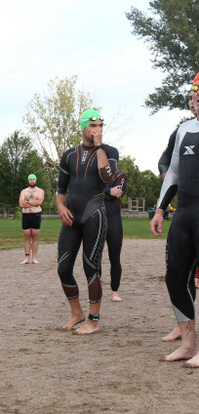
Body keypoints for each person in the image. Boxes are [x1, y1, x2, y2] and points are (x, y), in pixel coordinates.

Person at [150, 73, 199, 367]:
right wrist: (160, 210)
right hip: (185, 212)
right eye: (194, 93)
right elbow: (174, 174)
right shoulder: (184, 130)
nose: (196, 98)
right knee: (175, 277)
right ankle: (188, 344)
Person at [56, 109, 118, 335]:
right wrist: (60, 206)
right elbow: (61, 188)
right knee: (63, 268)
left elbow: (107, 177)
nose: (97, 130)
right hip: (72, 217)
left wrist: (99, 146)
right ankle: (77, 313)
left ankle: (94, 320)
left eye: (101, 126)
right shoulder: (69, 155)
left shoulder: (109, 151)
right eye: (93, 126)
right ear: (82, 127)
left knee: (91, 267)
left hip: (95, 214)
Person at [104, 171, 127, 302]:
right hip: (97, 218)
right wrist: (108, 190)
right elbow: (89, 192)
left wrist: (102, 192)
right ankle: (95, 291)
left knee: (115, 257)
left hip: (114, 220)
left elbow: (117, 194)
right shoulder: (95, 175)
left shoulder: (120, 175)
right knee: (94, 258)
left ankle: (115, 291)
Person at [18, 174, 44, 264]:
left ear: (36, 181)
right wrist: (33, 203)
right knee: (27, 236)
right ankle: (26, 258)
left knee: (35, 236)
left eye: (33, 179)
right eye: (30, 179)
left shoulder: (40, 191)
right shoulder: (24, 191)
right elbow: (21, 203)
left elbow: (39, 202)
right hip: (26, 215)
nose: (32, 181)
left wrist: (27, 201)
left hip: (36, 215)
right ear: (28, 181)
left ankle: (34, 258)